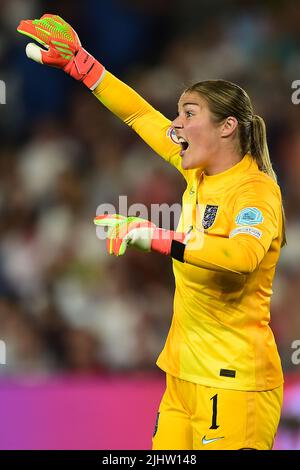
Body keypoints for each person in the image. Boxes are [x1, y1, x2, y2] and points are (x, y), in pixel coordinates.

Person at [17, 14, 286, 450]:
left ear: (227, 127)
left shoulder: (255, 193)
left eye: (188, 114)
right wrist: (82, 65)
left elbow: (241, 259)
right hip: (182, 376)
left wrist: (155, 235)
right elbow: (140, 114)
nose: (175, 125)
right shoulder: (201, 172)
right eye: (177, 114)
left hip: (236, 383)